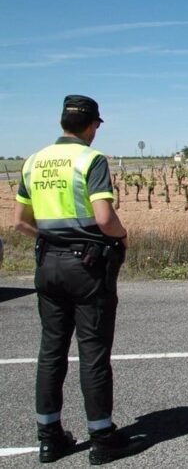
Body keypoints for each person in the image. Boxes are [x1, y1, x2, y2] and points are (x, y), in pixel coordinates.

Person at [13, 95, 142, 465]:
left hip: (48, 264)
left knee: (51, 351)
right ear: (92, 125)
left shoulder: (33, 161)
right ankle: (102, 438)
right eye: (98, 125)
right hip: (87, 267)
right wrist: (121, 237)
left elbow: (19, 221)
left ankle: (49, 439)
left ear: (62, 124)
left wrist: (53, 238)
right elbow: (104, 217)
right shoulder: (91, 159)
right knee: (93, 353)